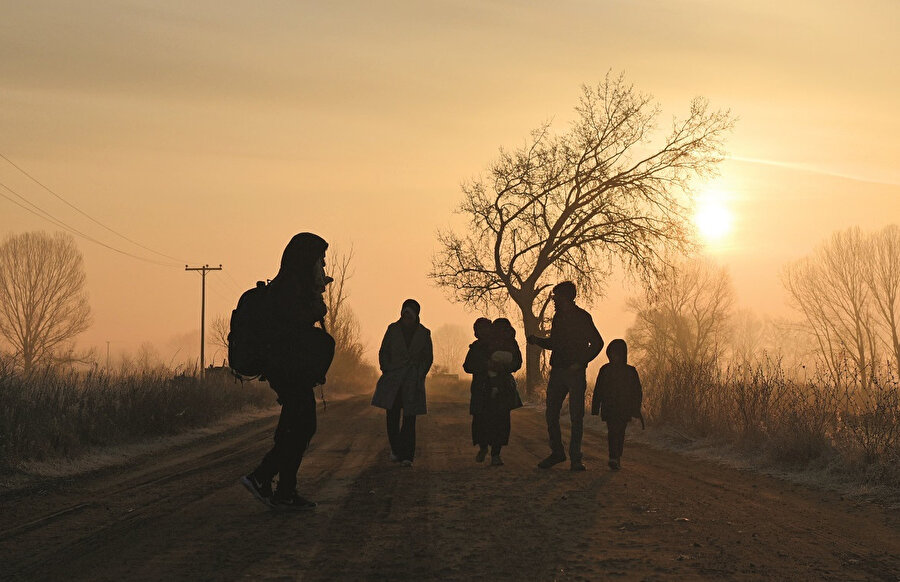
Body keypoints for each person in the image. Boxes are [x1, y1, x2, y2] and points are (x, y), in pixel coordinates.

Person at [241, 232, 335, 510]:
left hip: (289, 370)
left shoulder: (292, 286)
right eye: (321, 260)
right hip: (288, 371)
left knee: (292, 428)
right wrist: (317, 306)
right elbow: (292, 328)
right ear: (307, 260)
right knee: (303, 426)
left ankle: (284, 491)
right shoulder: (288, 289)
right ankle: (263, 477)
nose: (324, 266)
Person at [527, 281, 603, 471]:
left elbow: (597, 343)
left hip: (574, 373)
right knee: (551, 413)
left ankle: (575, 458)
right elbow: (555, 343)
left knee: (576, 416)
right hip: (558, 371)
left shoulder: (583, 317)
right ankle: (558, 453)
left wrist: (581, 363)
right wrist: (538, 341)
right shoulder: (558, 318)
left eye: (556, 297)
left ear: (566, 297)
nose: (554, 300)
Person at [371, 299, 433, 467]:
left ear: (416, 315)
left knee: (409, 419)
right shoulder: (392, 330)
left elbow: (428, 358)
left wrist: (419, 374)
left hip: (412, 381)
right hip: (393, 380)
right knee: (392, 416)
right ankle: (396, 450)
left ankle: (407, 455)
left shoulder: (424, 333)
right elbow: (384, 351)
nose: (406, 317)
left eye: (409, 314)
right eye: (404, 314)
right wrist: (387, 369)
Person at [465, 318, 523, 466]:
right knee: (483, 421)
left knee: (499, 422)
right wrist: (486, 366)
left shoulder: (500, 344)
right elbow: (468, 366)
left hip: (498, 389)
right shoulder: (478, 347)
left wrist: (501, 368)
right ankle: (486, 449)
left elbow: (516, 363)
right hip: (483, 389)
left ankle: (495, 453)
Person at [591, 339, 643, 470]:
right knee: (613, 432)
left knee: (620, 432)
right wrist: (595, 408)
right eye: (613, 353)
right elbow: (598, 390)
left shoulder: (630, 372)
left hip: (624, 408)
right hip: (609, 408)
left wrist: (635, 409)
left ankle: (616, 456)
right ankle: (613, 457)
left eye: (617, 353)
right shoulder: (605, 370)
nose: (615, 356)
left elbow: (637, 392)